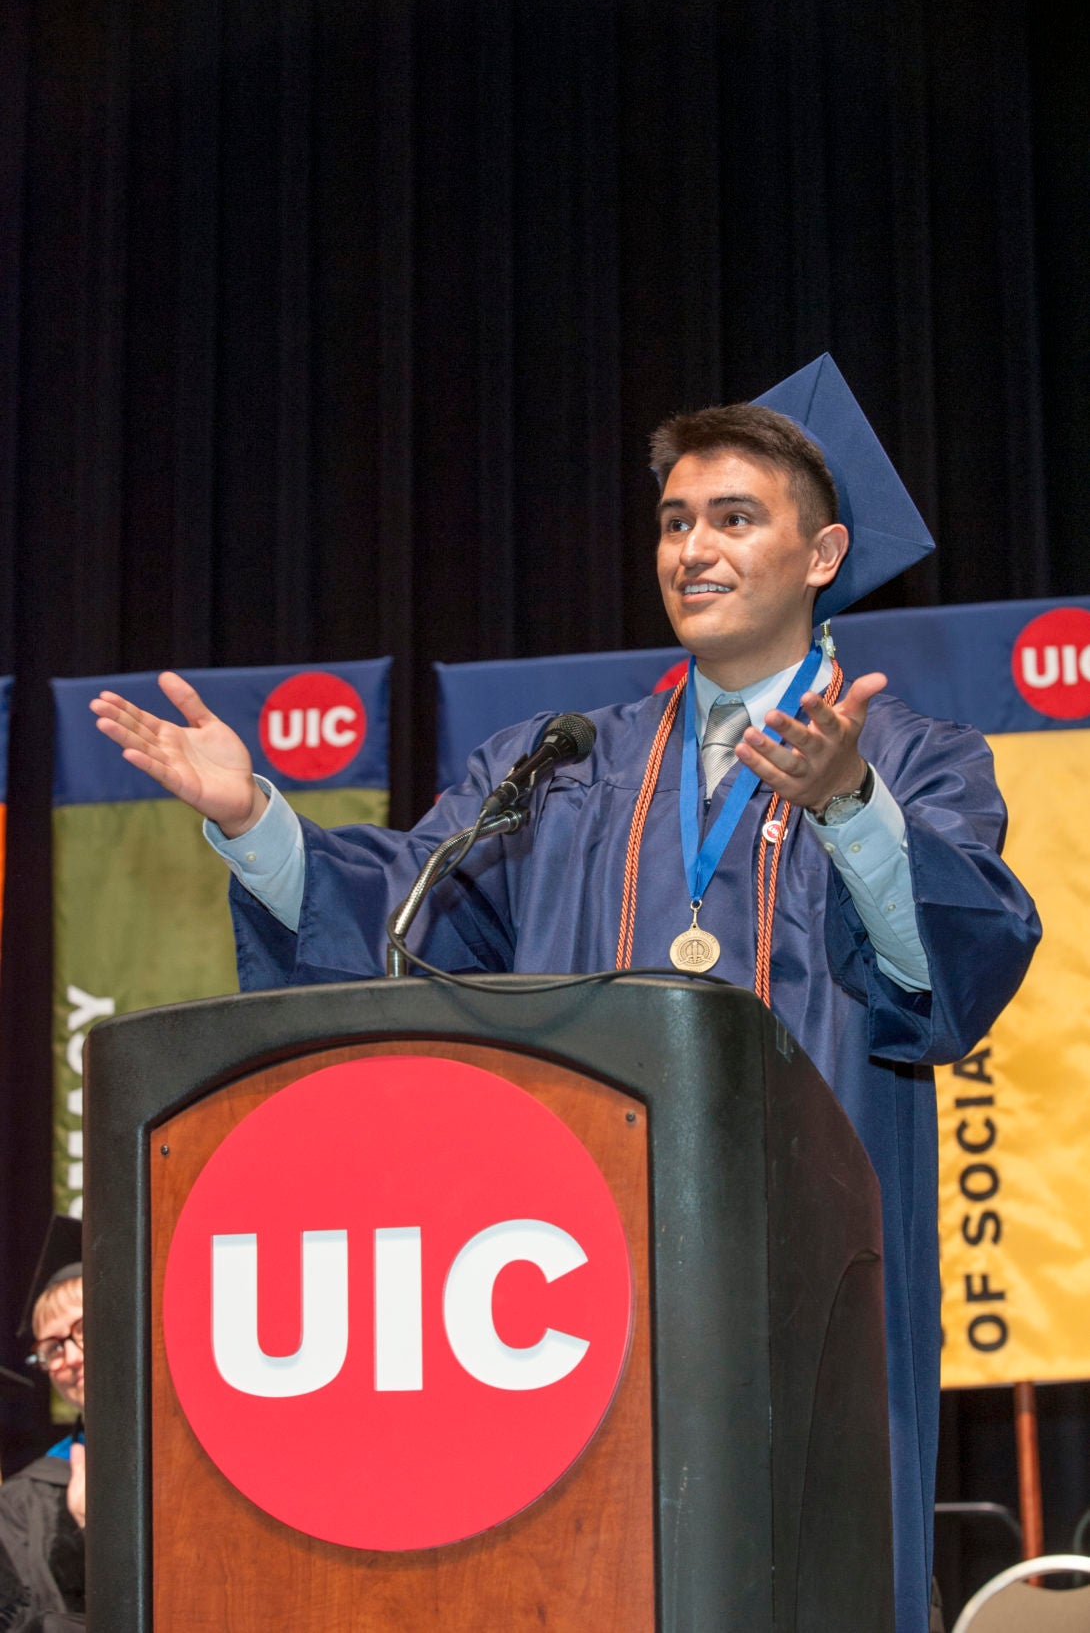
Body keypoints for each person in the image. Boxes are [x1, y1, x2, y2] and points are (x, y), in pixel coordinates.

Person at [89, 354, 1040, 1633]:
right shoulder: (562, 767)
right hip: (574, 1289)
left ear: (822, 556)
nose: (692, 549)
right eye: (674, 521)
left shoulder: (915, 762)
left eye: (733, 518)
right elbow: (404, 923)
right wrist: (257, 819)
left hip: (805, 1279)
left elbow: (951, 974)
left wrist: (851, 811)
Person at [0, 1220, 86, 1632]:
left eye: (84, 1330)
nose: (69, 1358)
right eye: (51, 1348)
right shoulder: (23, 1499)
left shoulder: (201, 1458)